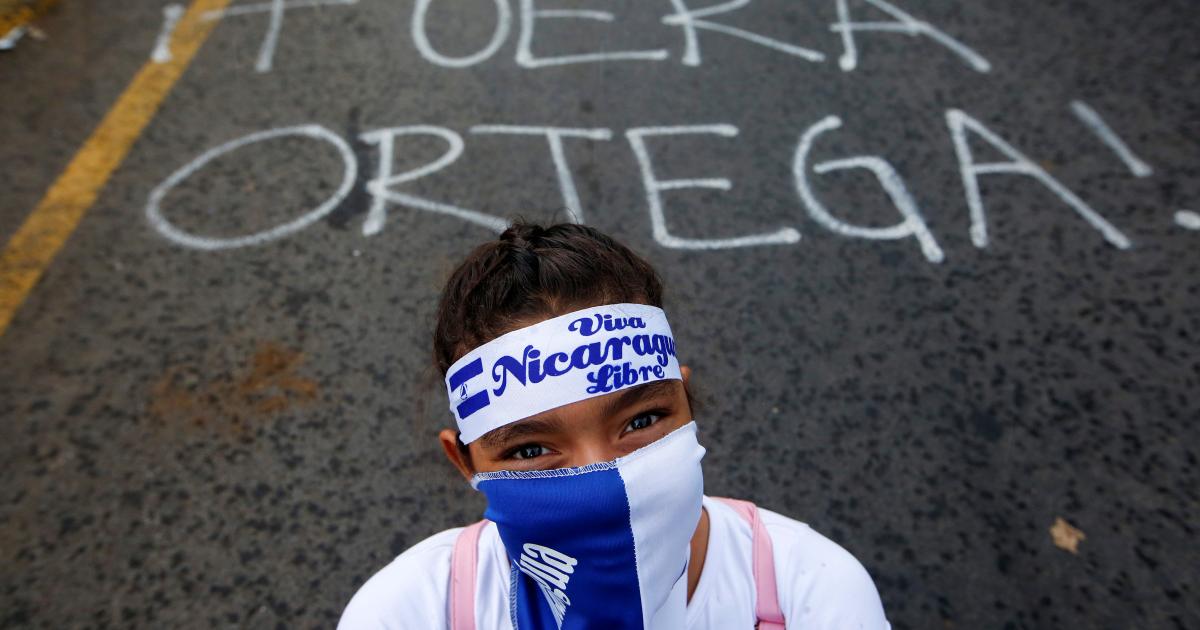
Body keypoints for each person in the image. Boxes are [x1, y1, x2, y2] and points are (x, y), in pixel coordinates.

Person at [339, 221, 891, 629]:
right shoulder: (410, 610)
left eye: (641, 420)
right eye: (530, 451)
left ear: (686, 405)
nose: (604, 478)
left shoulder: (809, 591)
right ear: (466, 462)